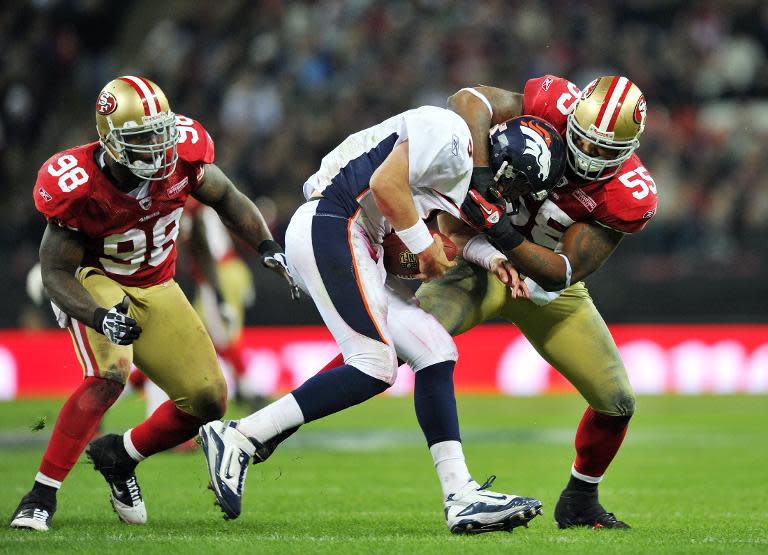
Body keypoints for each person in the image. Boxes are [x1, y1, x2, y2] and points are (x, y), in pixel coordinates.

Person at [199, 106, 567, 534]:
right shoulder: (450, 133)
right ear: (508, 165)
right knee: (374, 364)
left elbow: (448, 234)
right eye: (519, 185)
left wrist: (494, 258)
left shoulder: (458, 168)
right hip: (334, 221)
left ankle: (461, 494)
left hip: (357, 235)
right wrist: (422, 246)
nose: (513, 198)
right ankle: (241, 436)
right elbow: (385, 184)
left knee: (435, 350)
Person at [10, 76, 295, 531]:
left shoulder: (182, 156)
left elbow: (226, 196)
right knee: (110, 376)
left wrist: (266, 245)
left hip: (158, 285)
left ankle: (119, 456)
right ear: (111, 139)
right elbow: (55, 272)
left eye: (161, 132)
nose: (159, 146)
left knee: (207, 400)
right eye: (143, 138)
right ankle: (41, 495)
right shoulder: (78, 182)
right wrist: (99, 314)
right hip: (96, 278)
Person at [415, 75, 657, 529]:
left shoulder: (628, 193)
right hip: (477, 266)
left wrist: (498, 226)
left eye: (607, 151)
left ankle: (580, 501)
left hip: (545, 289)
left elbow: (561, 271)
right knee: (394, 342)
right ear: (573, 118)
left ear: (630, 149)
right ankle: (265, 431)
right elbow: (467, 99)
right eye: (585, 141)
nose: (591, 155)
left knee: (616, 402)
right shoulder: (553, 102)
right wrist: (483, 174)